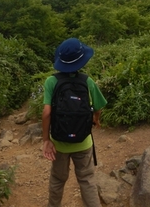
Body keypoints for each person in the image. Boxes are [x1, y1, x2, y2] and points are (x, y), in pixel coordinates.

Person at [42, 38, 107, 207]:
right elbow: (98, 108)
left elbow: (47, 112)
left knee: (57, 179)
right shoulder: (88, 81)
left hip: (59, 143)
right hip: (83, 142)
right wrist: (96, 120)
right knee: (87, 179)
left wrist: (45, 140)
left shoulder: (51, 81)